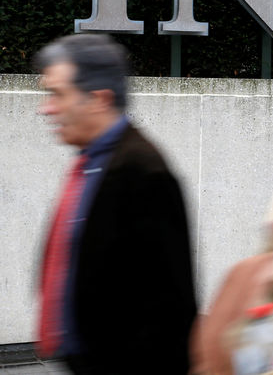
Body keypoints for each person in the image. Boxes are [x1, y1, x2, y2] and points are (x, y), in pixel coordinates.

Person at [34, 34, 197, 373]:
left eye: (57, 95)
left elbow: (170, 306)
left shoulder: (143, 172)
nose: (46, 108)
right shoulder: (93, 162)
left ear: (98, 99)